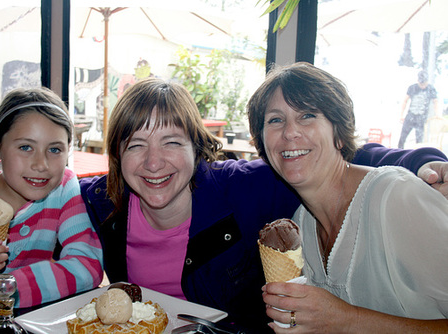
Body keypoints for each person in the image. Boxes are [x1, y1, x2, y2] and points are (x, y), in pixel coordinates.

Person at [79, 77, 448, 332]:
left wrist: (419, 162)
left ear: (197, 148)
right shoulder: (102, 200)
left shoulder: (245, 187)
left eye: (172, 142)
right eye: (136, 145)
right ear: (117, 156)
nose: (154, 163)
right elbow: (49, 187)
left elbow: (328, 155)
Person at [248, 62, 448, 333]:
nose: (290, 132)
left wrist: (348, 320)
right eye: (275, 120)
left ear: (339, 134)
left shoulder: (397, 198)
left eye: (307, 115)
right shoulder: (301, 225)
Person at [0, 87, 103, 316]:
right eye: (25, 147)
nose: (41, 164)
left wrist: (2, 291)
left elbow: (87, 266)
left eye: (54, 149)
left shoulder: (62, 188)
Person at [398, 70, 440, 148]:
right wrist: (401, 115)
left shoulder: (431, 89)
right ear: (418, 81)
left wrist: (437, 114)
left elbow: (435, 102)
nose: (423, 86)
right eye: (421, 84)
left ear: (427, 81)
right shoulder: (412, 88)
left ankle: (417, 157)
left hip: (421, 118)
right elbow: (405, 101)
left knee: (419, 141)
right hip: (410, 116)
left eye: (424, 84)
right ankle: (399, 154)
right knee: (402, 138)